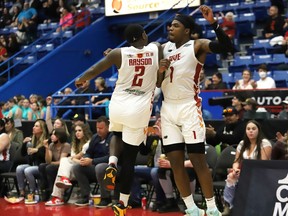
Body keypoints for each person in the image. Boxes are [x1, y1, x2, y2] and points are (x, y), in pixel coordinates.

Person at [75, 23, 162, 215]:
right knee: (130, 159)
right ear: (144, 35)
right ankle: (122, 205)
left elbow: (93, 71)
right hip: (139, 108)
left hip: (118, 105)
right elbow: (159, 77)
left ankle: (112, 162)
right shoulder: (155, 48)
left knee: (116, 133)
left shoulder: (117, 53)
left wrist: (81, 79)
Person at [157, 5, 234, 216]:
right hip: (167, 109)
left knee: (198, 160)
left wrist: (213, 23)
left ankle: (212, 208)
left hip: (189, 107)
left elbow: (226, 47)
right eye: (170, 25)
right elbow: (155, 81)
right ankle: (191, 208)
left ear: (187, 31)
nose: (170, 28)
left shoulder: (197, 45)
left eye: (175, 25)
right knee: (175, 162)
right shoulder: (164, 48)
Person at [222, 120, 272, 215]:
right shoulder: (242, 143)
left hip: (261, 174)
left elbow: (262, 164)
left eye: (253, 129)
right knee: (231, 177)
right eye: (248, 129)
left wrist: (245, 172)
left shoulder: (265, 143)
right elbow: (236, 161)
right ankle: (229, 206)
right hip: (244, 173)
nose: (251, 131)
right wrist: (236, 169)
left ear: (259, 130)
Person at [45, 123, 92, 205]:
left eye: (80, 130)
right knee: (63, 167)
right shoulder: (74, 144)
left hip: (86, 169)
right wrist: (75, 159)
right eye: (76, 131)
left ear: (85, 132)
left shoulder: (89, 143)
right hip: (75, 169)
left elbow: (78, 159)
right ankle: (62, 184)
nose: (77, 132)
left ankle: (58, 197)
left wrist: (74, 159)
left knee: (64, 162)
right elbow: (73, 158)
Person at [72, 116, 112, 206]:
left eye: (101, 128)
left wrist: (92, 161)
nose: (98, 130)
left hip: (109, 167)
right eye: (97, 128)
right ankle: (86, 196)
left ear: (108, 128)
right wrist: (85, 158)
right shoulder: (95, 138)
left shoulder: (112, 138)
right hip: (95, 167)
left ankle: (106, 198)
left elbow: (110, 157)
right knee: (77, 168)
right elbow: (89, 152)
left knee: (100, 167)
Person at [16, 119, 49, 202]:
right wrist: (24, 144)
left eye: (36, 126)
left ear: (42, 129)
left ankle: (32, 192)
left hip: (41, 166)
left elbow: (44, 156)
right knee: (19, 168)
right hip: (32, 165)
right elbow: (23, 154)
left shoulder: (46, 140)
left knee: (27, 170)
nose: (33, 127)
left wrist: (36, 150)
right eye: (34, 125)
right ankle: (22, 192)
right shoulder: (31, 139)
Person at [38, 128, 71, 201]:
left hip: (63, 168)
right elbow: (47, 160)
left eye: (54, 134)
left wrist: (50, 163)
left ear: (60, 136)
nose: (52, 136)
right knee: (42, 166)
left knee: (49, 167)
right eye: (52, 134)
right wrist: (46, 148)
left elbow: (62, 161)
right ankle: (44, 190)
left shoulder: (66, 145)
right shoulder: (51, 145)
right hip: (53, 165)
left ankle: (51, 191)